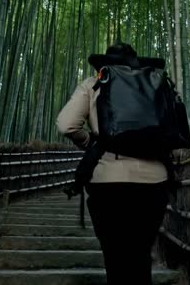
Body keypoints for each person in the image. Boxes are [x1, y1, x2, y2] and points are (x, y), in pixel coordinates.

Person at [56, 42, 171, 285]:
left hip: (107, 182)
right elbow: (185, 131)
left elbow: (66, 124)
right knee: (140, 256)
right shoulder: (158, 83)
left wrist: (91, 143)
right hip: (154, 182)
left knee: (115, 257)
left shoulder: (94, 83)